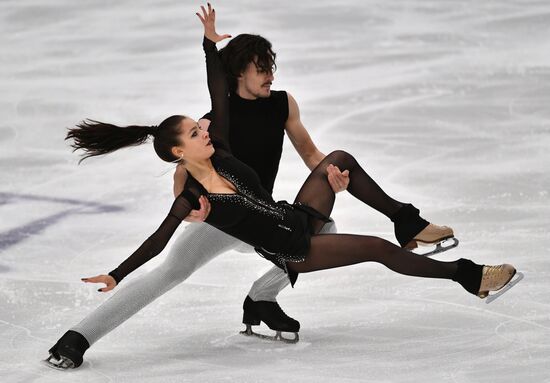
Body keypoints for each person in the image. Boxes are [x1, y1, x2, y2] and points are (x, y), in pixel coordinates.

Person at [44, 4, 516, 369]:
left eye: (271, 62)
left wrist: (332, 178)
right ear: (239, 73)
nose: (270, 71)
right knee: (168, 274)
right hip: (222, 220)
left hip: (272, 215)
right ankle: (78, 338)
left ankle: (387, 234)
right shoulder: (213, 129)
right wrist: (189, 210)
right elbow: (180, 188)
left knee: (331, 200)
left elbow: (310, 152)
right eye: (260, 65)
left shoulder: (253, 119)